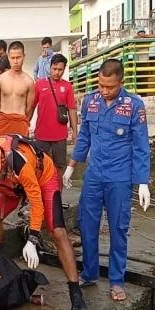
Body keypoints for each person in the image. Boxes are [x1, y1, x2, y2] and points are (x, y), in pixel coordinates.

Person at [63, 59, 151, 301]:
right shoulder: (91, 101)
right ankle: (90, 273)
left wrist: (142, 181)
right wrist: (72, 166)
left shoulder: (134, 106)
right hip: (94, 175)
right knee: (87, 226)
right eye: (100, 85)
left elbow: (141, 146)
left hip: (120, 178)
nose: (104, 91)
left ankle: (116, 280)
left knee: (118, 229)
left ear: (121, 82)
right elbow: (84, 137)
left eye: (109, 87)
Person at [0, 135, 87, 310]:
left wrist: (33, 239)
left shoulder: (19, 163)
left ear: (3, 160)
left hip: (42, 178)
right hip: (14, 186)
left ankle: (76, 294)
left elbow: (36, 202)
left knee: (57, 230)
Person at [27, 54, 78, 190]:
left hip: (60, 136)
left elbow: (72, 110)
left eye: (60, 69)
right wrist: (25, 124)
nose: (57, 72)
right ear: (50, 67)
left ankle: (57, 200)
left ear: (64, 69)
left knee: (59, 168)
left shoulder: (67, 87)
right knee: (39, 167)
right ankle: (41, 199)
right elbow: (32, 106)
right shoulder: (39, 85)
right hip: (41, 135)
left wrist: (75, 132)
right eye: (54, 68)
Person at [0, 41, 34, 138]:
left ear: (24, 56)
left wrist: (21, 118)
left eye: (18, 58)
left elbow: (29, 107)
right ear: (8, 57)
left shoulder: (29, 81)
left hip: (21, 122)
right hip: (3, 121)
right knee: (1, 152)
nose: (15, 62)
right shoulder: (0, 79)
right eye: (12, 58)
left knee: (21, 152)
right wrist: (5, 115)